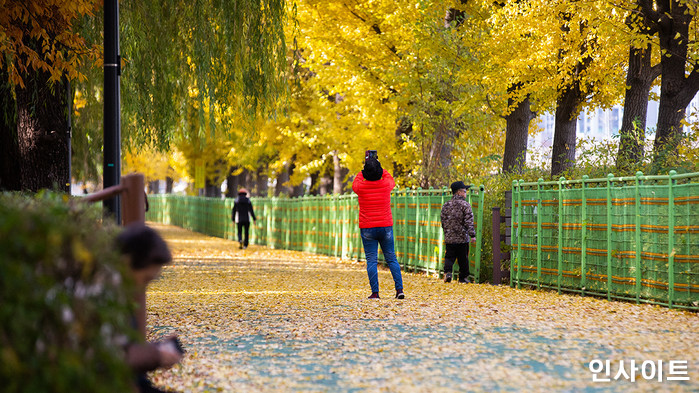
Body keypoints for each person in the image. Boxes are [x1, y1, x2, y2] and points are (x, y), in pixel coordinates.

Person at [117, 224, 183, 393]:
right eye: (145, 279)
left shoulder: (117, 294)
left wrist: (156, 351)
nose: (143, 288)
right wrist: (157, 355)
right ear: (127, 262)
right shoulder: (103, 294)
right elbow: (109, 358)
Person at [352, 153, 404, 299]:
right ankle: (399, 290)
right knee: (391, 258)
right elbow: (389, 177)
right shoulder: (386, 185)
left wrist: (365, 167)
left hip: (367, 227)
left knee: (372, 260)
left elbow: (356, 181)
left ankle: (375, 293)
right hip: (385, 225)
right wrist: (378, 164)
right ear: (380, 171)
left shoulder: (360, 186)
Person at [440, 181, 477, 283]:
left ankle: (447, 273)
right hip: (462, 238)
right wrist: (472, 235)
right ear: (459, 192)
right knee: (463, 259)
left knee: (449, 257)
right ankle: (463, 277)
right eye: (465, 191)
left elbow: (443, 220)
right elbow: (468, 221)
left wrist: (447, 231)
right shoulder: (465, 205)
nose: (466, 194)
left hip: (449, 238)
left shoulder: (446, 205)